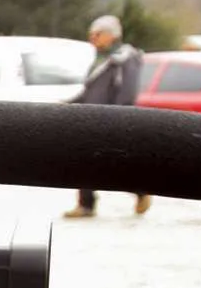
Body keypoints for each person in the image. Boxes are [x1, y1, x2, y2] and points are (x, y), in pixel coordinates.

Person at [64, 14, 150, 218]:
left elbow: (127, 93)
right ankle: (86, 204)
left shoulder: (126, 58)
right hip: (91, 119)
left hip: (111, 120)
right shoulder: (100, 60)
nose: (92, 38)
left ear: (111, 35)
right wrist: (68, 105)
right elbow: (90, 93)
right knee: (84, 160)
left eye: (97, 34)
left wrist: (116, 118)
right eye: (91, 34)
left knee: (113, 163)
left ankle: (140, 190)